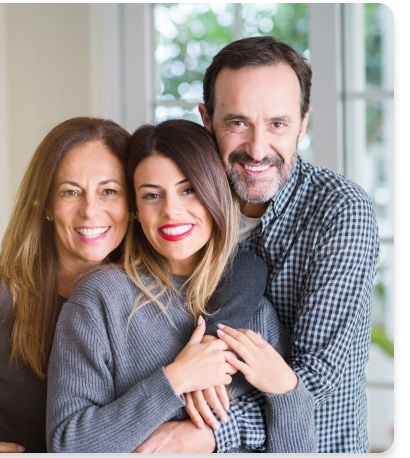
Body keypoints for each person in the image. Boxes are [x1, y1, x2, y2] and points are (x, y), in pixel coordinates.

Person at [135, 37, 380, 453]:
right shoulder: (181, 205)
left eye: (278, 124)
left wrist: (204, 434)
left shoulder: (340, 211)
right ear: (206, 119)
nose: (257, 148)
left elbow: (312, 382)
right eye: (238, 123)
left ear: (303, 123)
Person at [46, 119, 316, 453]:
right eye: (152, 195)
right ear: (136, 211)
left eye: (188, 189)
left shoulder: (256, 312)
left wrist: (287, 392)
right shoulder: (102, 298)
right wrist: (175, 380)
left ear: (214, 193)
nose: (170, 210)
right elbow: (67, 445)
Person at [0, 117, 130, 453]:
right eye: (71, 192)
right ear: (45, 204)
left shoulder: (147, 298)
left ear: (131, 204)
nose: (90, 210)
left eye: (109, 190)